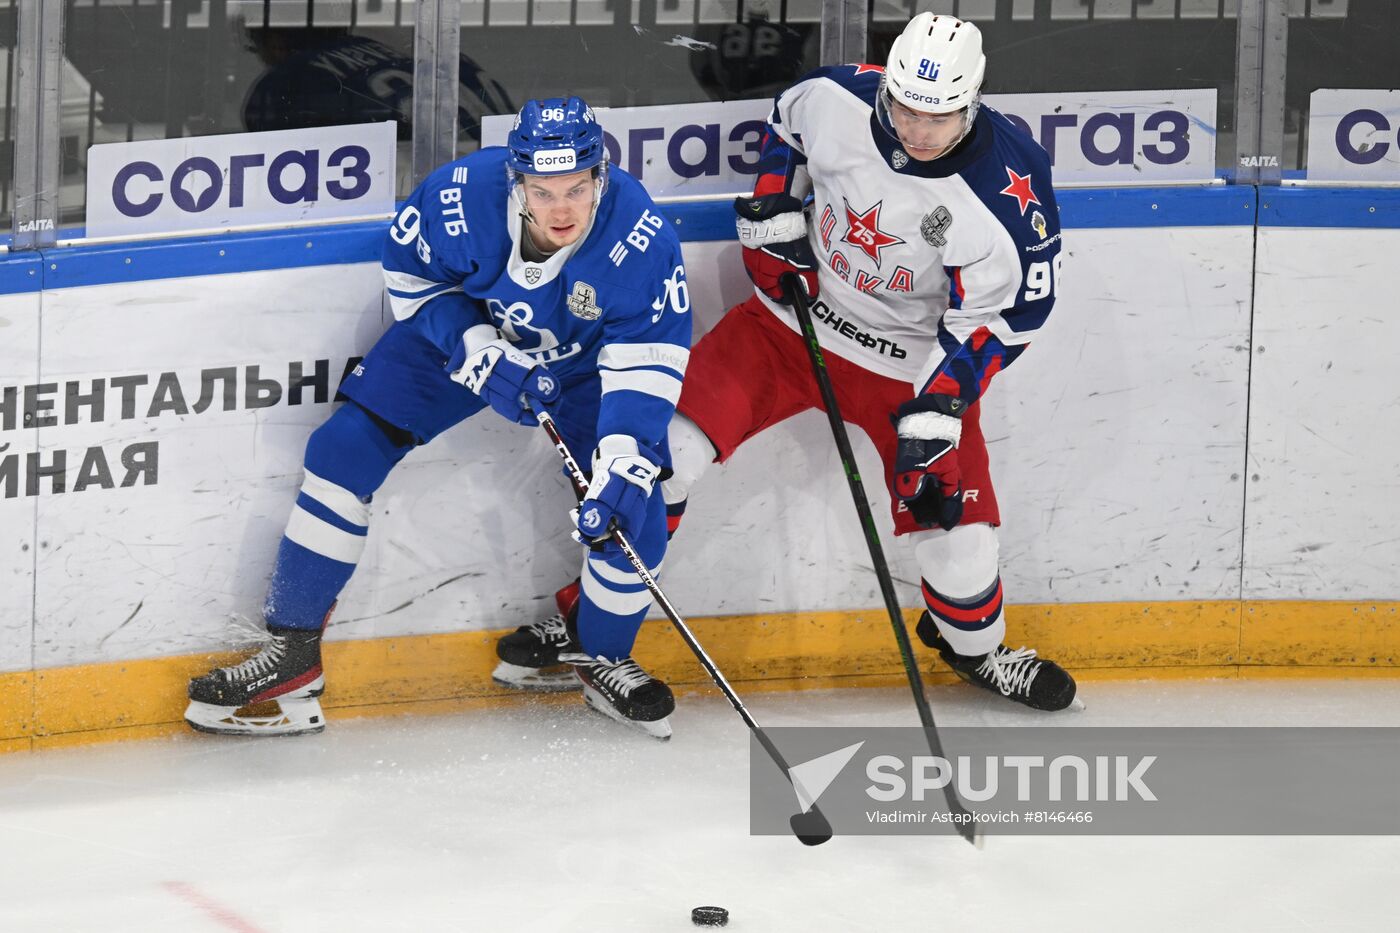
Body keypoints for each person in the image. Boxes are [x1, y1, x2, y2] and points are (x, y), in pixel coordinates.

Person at [500, 14, 1078, 712]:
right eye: (904, 108)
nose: (918, 130)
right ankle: (588, 625)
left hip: (911, 371)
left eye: (941, 115)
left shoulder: (1007, 188)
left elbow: (1015, 314)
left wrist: (943, 404)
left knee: (960, 551)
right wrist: (776, 202)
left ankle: (974, 650)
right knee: (659, 460)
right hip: (783, 333)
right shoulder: (834, 98)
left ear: (974, 101)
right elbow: (786, 130)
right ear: (885, 86)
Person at [185, 96, 693, 740]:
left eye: (576, 189)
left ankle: (603, 657)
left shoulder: (640, 239)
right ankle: (292, 656)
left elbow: (646, 364)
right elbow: (411, 278)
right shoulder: (460, 195)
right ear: (517, 182)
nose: (561, 210)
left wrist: (623, 457)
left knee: (633, 508)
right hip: (473, 334)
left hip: (588, 367)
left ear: (599, 177)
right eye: (543, 191)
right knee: (342, 452)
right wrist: (475, 350)